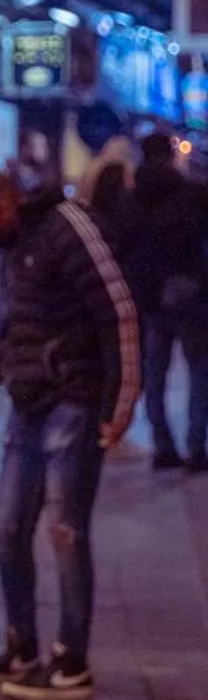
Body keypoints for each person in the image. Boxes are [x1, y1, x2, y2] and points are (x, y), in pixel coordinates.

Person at [0, 166, 140, 700]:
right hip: (29, 403)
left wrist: (119, 402)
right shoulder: (16, 247)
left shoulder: (67, 226)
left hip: (72, 402)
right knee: (9, 529)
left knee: (65, 531)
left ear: (4, 205)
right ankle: (20, 644)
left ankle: (70, 658)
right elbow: (27, 324)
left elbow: (119, 313)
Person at [128, 133, 208, 471]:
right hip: (191, 294)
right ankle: (196, 447)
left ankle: (163, 445)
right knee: (198, 372)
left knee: (155, 372)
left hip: (150, 297)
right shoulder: (192, 194)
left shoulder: (132, 199)